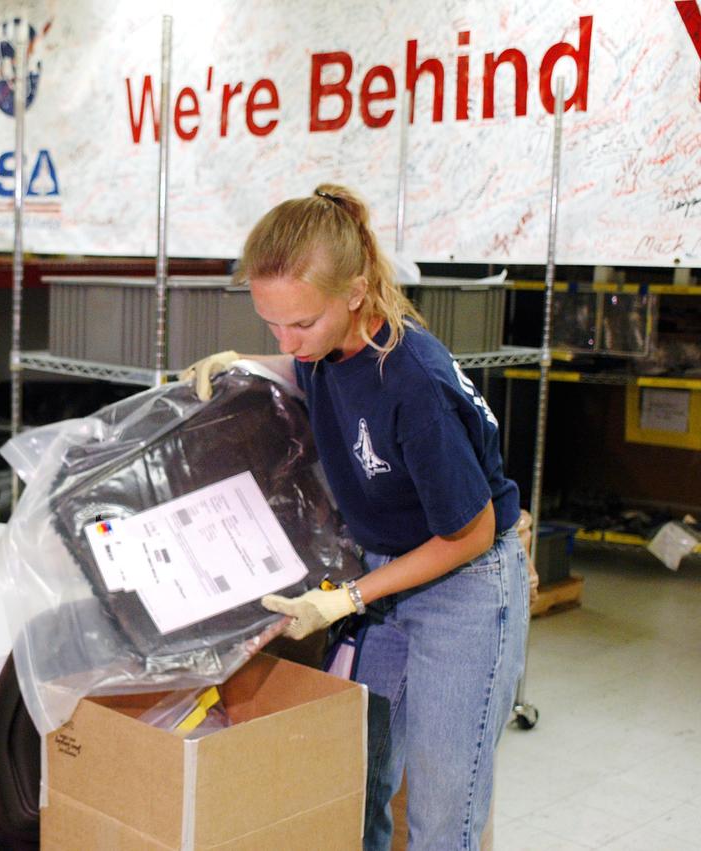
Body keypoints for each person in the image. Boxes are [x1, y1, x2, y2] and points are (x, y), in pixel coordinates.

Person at [186, 184, 529, 850]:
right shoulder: (326, 345)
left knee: (439, 811)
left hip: (462, 585)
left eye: (299, 323)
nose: (288, 339)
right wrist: (247, 363)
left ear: (355, 290)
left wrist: (345, 596)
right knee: (358, 781)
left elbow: (473, 530)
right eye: (271, 324)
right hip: (388, 579)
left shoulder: (413, 384)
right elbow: (311, 361)